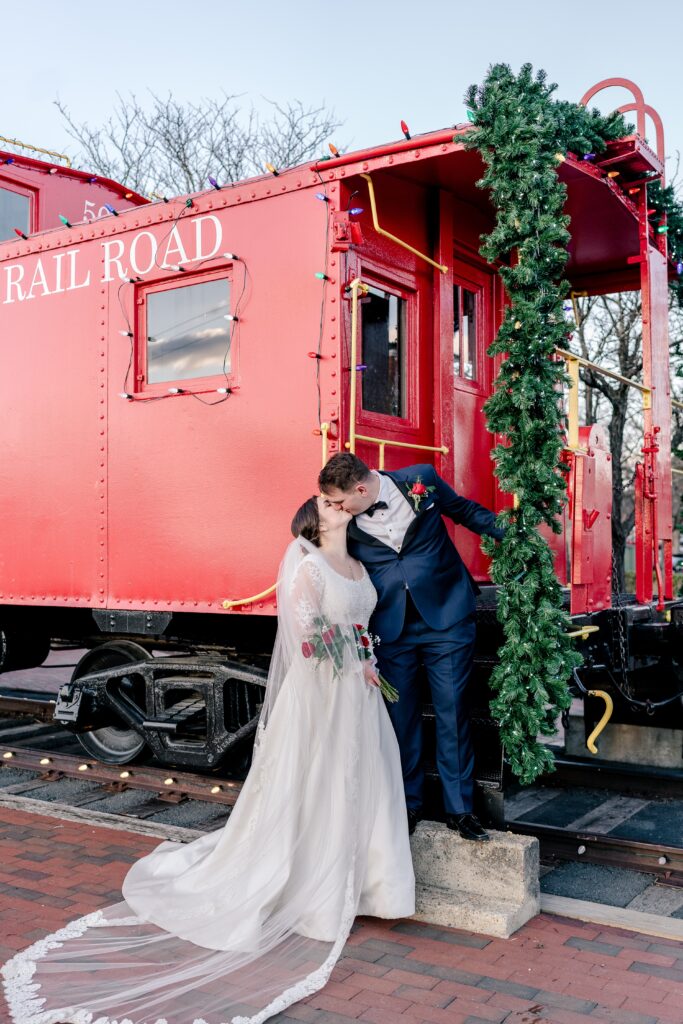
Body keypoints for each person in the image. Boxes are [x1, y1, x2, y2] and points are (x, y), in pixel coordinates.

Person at [1, 496, 415, 1024]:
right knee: (320, 782)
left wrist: (365, 661)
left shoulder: (356, 564)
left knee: (360, 779)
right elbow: (308, 635)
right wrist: (343, 661)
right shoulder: (308, 565)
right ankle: (317, 888)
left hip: (358, 692)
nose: (342, 508)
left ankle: (370, 884)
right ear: (316, 520)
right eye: (332, 504)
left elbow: (355, 625)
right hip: (324, 693)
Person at [319, 452, 504, 842]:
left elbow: (465, 511)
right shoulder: (343, 523)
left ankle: (461, 810)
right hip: (391, 628)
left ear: (362, 488)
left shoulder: (421, 479)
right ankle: (408, 803)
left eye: (340, 501)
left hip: (447, 617)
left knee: (453, 713)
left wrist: (513, 534)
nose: (337, 508)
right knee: (400, 720)